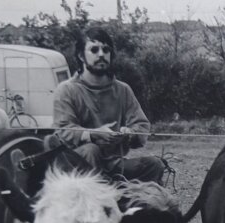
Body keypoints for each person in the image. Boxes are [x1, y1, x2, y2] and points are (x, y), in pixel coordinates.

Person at [52, 26, 165, 184]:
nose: (101, 54)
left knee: (155, 165)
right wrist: (93, 134)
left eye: (106, 50)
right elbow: (63, 130)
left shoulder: (122, 89)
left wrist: (130, 133)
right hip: (78, 168)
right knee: (91, 149)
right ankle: (103, 200)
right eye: (94, 49)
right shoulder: (67, 90)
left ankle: (135, 202)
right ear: (81, 56)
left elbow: (141, 125)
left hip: (115, 165)